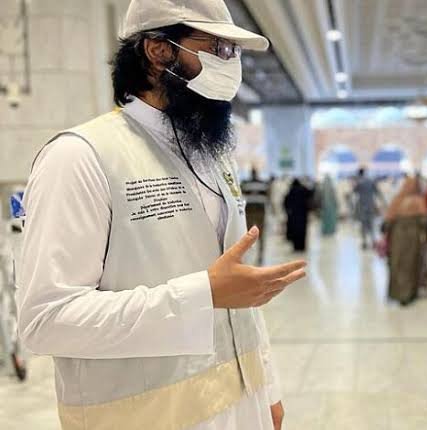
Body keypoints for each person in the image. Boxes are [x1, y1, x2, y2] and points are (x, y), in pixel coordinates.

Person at [15, 2, 308, 429]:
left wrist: (268, 389)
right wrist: (201, 295)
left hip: (242, 407)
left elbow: (235, 294)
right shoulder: (80, 157)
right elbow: (45, 321)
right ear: (158, 51)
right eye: (218, 48)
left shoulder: (212, 158)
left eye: (234, 51)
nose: (232, 65)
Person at [383, 177, 427, 306]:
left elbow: (388, 221)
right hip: (412, 237)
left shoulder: (397, 199)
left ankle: (396, 293)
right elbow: (425, 221)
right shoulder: (418, 201)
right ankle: (408, 294)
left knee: (397, 264)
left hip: (397, 237)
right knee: (411, 264)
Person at [243, 167, 270, 265]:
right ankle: (258, 256)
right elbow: (268, 197)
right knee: (257, 234)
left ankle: (255, 256)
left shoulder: (246, 184)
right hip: (258, 211)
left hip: (251, 211)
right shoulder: (262, 184)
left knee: (250, 234)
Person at [353, 168, 384, 249]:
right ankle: (373, 241)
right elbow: (378, 192)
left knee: (363, 225)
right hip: (370, 205)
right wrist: (383, 202)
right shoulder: (371, 181)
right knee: (371, 224)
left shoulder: (359, 182)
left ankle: (364, 242)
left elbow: (354, 191)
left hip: (362, 206)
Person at [283, 178, 313, 252]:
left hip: (294, 215)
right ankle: (302, 247)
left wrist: (288, 211)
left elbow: (286, 202)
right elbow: (310, 194)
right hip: (303, 214)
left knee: (295, 231)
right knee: (302, 231)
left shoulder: (291, 190)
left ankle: (296, 247)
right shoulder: (304, 189)